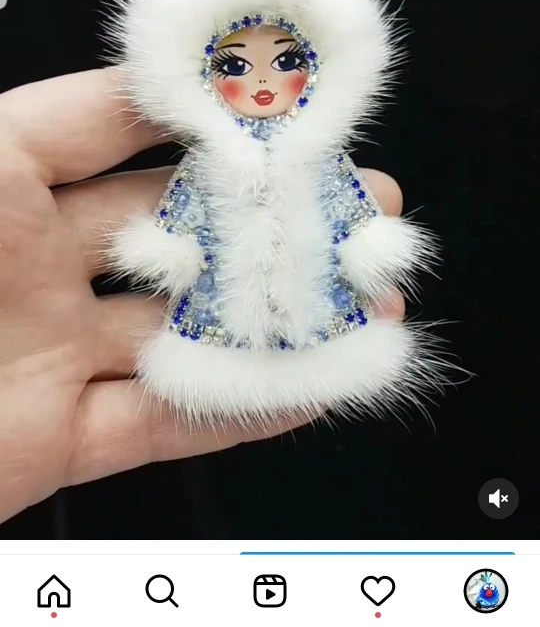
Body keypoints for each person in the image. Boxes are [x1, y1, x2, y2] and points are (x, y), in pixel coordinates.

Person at [0, 67, 404, 524]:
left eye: (286, 63)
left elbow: (349, 209)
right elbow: (182, 217)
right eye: (236, 68)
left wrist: (366, 245)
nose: (263, 83)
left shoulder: (320, 155)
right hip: (223, 289)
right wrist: (170, 247)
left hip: (312, 285)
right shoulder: (210, 160)